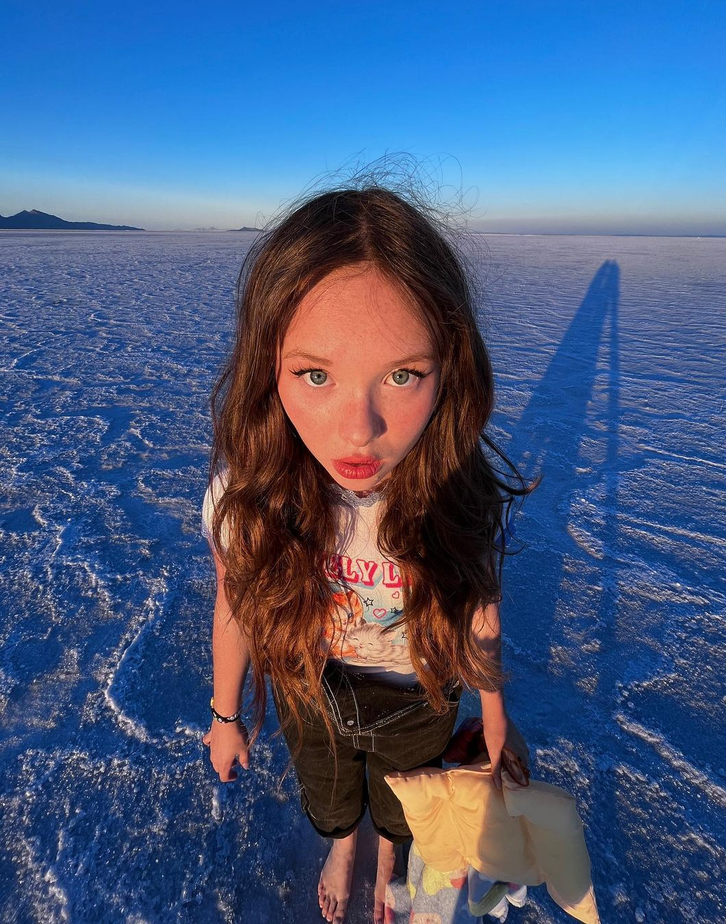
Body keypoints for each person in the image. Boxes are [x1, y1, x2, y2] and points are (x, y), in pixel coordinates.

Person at [199, 176, 538, 924]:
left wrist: (494, 714)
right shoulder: (249, 501)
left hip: (419, 692)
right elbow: (236, 599)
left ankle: (387, 853)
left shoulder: (454, 494)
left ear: (450, 367)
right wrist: (224, 715)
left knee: (401, 801)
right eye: (315, 374)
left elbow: (477, 606)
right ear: (268, 366)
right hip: (309, 685)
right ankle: (342, 845)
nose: (359, 430)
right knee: (328, 797)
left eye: (402, 375)